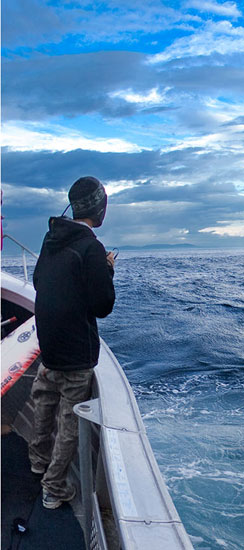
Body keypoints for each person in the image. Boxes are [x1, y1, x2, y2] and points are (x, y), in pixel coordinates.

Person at [29, 176, 116, 509]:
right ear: (98, 207)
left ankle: (37, 462)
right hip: (76, 354)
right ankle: (53, 488)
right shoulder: (91, 247)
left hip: (49, 346)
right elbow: (102, 306)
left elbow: (39, 281)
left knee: (43, 404)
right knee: (68, 421)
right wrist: (105, 270)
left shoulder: (51, 238)